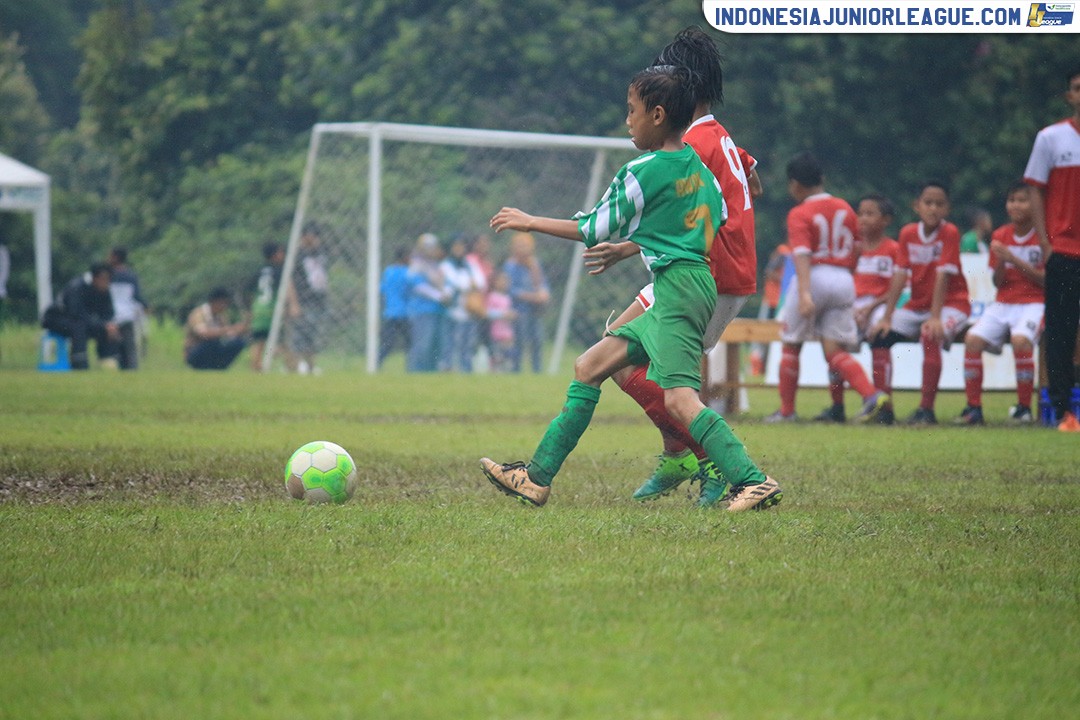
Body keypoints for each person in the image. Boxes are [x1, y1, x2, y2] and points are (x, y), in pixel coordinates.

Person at [480, 64, 781, 513]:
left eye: (631, 111)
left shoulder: (643, 170)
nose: (627, 121)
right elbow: (717, 216)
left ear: (657, 115)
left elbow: (592, 228)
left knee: (680, 400)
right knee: (590, 365)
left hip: (677, 290)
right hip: (689, 281)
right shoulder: (696, 164)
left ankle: (753, 481)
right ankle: (535, 479)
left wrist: (529, 220)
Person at [577, 26, 765, 507]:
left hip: (704, 271)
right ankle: (680, 452)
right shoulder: (717, 136)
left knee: (614, 359)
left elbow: (679, 213)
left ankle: (705, 460)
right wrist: (631, 248)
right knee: (632, 357)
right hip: (729, 269)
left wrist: (624, 242)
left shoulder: (689, 147)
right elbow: (750, 180)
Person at [765, 153, 888, 425]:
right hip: (843, 278)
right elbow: (857, 248)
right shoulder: (845, 207)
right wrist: (847, 276)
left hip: (814, 277)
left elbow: (802, 254)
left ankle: (787, 411)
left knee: (792, 344)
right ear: (822, 179)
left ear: (795, 185)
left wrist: (806, 293)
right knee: (834, 350)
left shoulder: (799, 213)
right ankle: (871, 396)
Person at [870, 181, 970, 425]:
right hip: (918, 306)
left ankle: (927, 410)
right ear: (917, 206)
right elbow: (900, 275)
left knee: (930, 334)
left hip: (952, 304)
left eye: (939, 204)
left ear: (947, 209)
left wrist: (935, 317)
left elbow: (943, 276)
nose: (933, 209)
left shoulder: (950, 233)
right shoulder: (908, 233)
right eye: (928, 203)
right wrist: (887, 317)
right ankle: (885, 409)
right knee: (879, 337)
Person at [957, 182, 1044, 425]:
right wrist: (1000, 261)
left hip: (1033, 303)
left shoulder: (1043, 235)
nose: (1015, 205)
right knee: (972, 339)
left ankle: (1024, 408)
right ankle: (974, 408)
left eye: (1022, 200)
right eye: (1012, 200)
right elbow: (997, 282)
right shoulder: (1001, 235)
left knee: (1020, 340)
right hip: (1003, 302)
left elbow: (1048, 281)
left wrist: (1012, 258)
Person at [1024, 68, 1080, 433]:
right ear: (1069, 96)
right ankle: (1063, 412)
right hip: (1064, 250)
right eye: (1078, 88)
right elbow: (1034, 188)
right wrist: (1045, 242)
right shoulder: (1050, 138)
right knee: (1060, 331)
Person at [816, 194, 900, 423]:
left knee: (880, 336)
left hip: (878, 306)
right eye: (860, 213)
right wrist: (853, 307)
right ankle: (837, 407)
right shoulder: (851, 249)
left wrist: (871, 307)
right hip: (851, 306)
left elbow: (896, 287)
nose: (862, 218)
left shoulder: (893, 249)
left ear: (886, 220)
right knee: (833, 344)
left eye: (870, 213)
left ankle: (885, 408)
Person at [41, 263, 121, 370]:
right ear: (95, 278)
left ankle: (109, 362)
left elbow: (108, 313)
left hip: (82, 321)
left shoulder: (105, 291)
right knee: (79, 328)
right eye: (103, 279)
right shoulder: (77, 287)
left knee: (111, 329)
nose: (106, 282)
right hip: (56, 319)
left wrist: (109, 325)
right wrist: (102, 324)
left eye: (108, 279)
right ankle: (80, 365)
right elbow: (76, 314)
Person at [438, 234, 487, 372]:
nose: (459, 249)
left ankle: (466, 368)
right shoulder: (446, 265)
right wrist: (469, 285)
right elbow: (455, 283)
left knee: (468, 343)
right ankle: (447, 366)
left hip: (469, 310)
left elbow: (481, 282)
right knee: (451, 342)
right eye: (456, 246)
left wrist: (469, 285)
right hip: (453, 310)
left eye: (462, 246)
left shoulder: (470, 264)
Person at [503, 231, 550, 373]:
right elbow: (510, 289)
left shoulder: (534, 264)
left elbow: (542, 283)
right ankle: (515, 370)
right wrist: (531, 296)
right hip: (519, 310)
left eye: (526, 245)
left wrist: (543, 293)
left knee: (537, 341)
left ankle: (537, 371)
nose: (523, 249)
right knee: (519, 342)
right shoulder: (510, 266)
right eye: (520, 245)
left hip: (535, 310)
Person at [249, 241, 296, 372]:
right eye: (281, 252)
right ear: (275, 255)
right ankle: (292, 369)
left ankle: (255, 369)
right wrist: (293, 305)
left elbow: (252, 293)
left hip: (258, 310)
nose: (283, 254)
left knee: (258, 342)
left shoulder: (259, 272)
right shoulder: (280, 271)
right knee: (284, 342)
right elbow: (288, 286)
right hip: (273, 311)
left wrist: (251, 311)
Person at [290, 223, 330, 375]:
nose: (313, 239)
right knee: (300, 333)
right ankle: (297, 364)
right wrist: (293, 303)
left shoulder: (321, 253)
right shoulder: (297, 255)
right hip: (302, 300)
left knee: (313, 334)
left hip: (319, 299)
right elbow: (290, 280)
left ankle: (310, 366)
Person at [405, 233, 448, 372]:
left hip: (437, 310)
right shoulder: (417, 265)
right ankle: (415, 372)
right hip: (422, 310)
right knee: (422, 344)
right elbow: (417, 286)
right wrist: (438, 296)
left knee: (435, 345)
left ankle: (430, 372)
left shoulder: (435, 265)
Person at [184, 287, 248, 370]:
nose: (225, 306)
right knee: (212, 342)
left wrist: (240, 329)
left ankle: (219, 367)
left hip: (212, 348)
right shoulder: (199, 313)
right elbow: (203, 334)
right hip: (195, 350)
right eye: (223, 303)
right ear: (214, 301)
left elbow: (229, 335)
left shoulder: (221, 317)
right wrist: (228, 329)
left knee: (238, 343)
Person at [106, 247, 149, 370]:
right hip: (127, 314)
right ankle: (132, 368)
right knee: (130, 346)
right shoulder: (131, 275)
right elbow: (136, 296)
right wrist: (146, 306)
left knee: (115, 345)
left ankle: (117, 368)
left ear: (115, 257)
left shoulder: (108, 275)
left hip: (111, 315)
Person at [378, 246, 411, 368]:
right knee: (410, 344)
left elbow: (381, 289)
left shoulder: (388, 271)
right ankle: (411, 367)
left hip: (390, 312)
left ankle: (376, 364)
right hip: (404, 313)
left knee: (387, 343)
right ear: (405, 257)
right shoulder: (408, 273)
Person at [485, 271, 516, 372]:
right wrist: (502, 314)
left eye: (505, 281)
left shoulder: (507, 297)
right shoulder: (492, 296)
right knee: (497, 356)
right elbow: (488, 312)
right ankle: (495, 372)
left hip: (507, 332)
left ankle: (507, 372)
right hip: (496, 332)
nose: (503, 283)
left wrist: (512, 315)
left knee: (508, 355)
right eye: (500, 281)